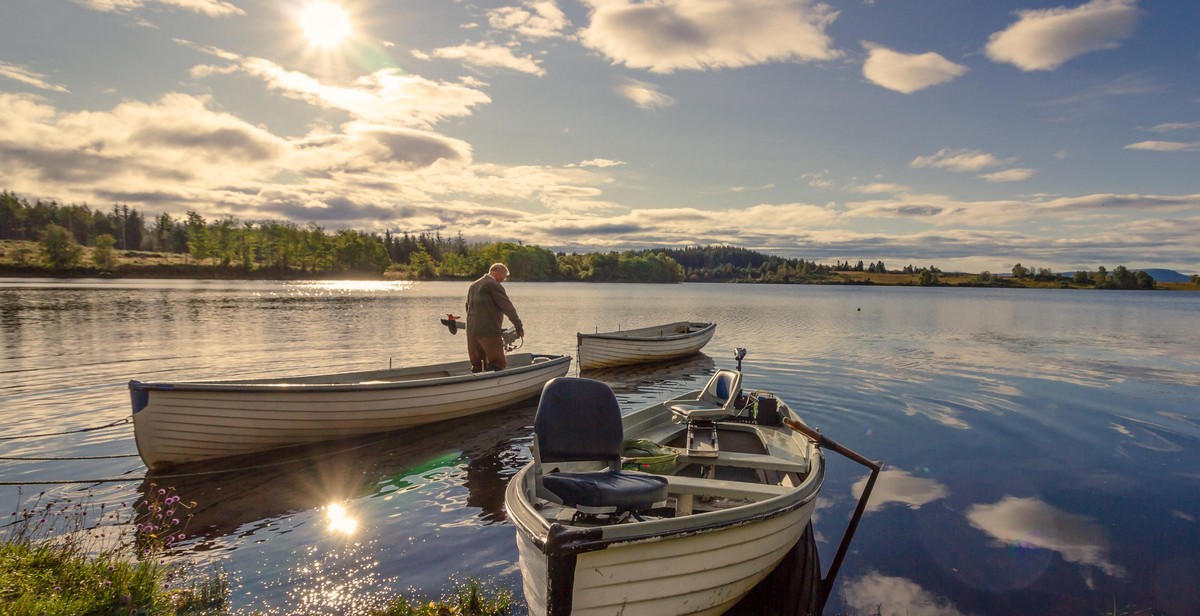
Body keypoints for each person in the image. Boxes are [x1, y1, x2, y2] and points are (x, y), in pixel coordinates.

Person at [465, 263, 525, 372]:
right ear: (499, 272)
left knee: (478, 365)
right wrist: (519, 327)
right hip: (488, 331)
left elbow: (467, 308)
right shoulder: (493, 285)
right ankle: (495, 386)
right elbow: (508, 308)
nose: (504, 280)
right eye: (505, 276)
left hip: (471, 331)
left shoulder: (473, 285)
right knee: (498, 362)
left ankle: (478, 386)